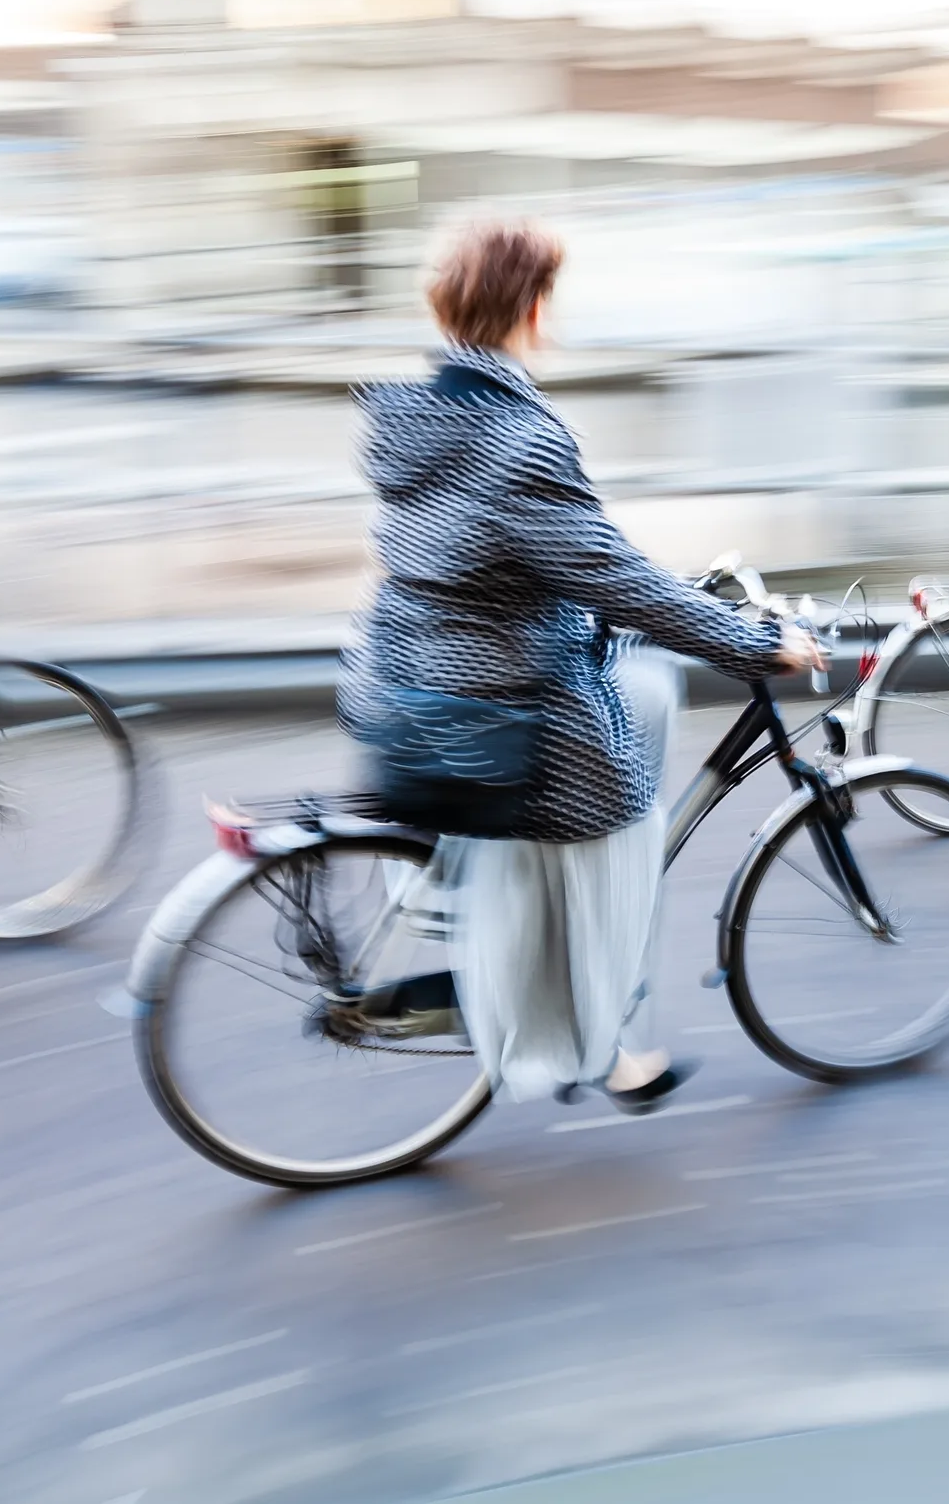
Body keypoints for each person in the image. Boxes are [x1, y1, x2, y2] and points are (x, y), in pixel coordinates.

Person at [340, 218, 821, 1114]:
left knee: (645, 684)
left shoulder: (415, 420)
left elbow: (526, 561)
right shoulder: (519, 436)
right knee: (621, 818)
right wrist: (755, 643)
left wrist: (639, 605)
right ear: (533, 308)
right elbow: (609, 573)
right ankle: (597, 1042)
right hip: (500, 710)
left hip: (405, 680)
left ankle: (516, 955)